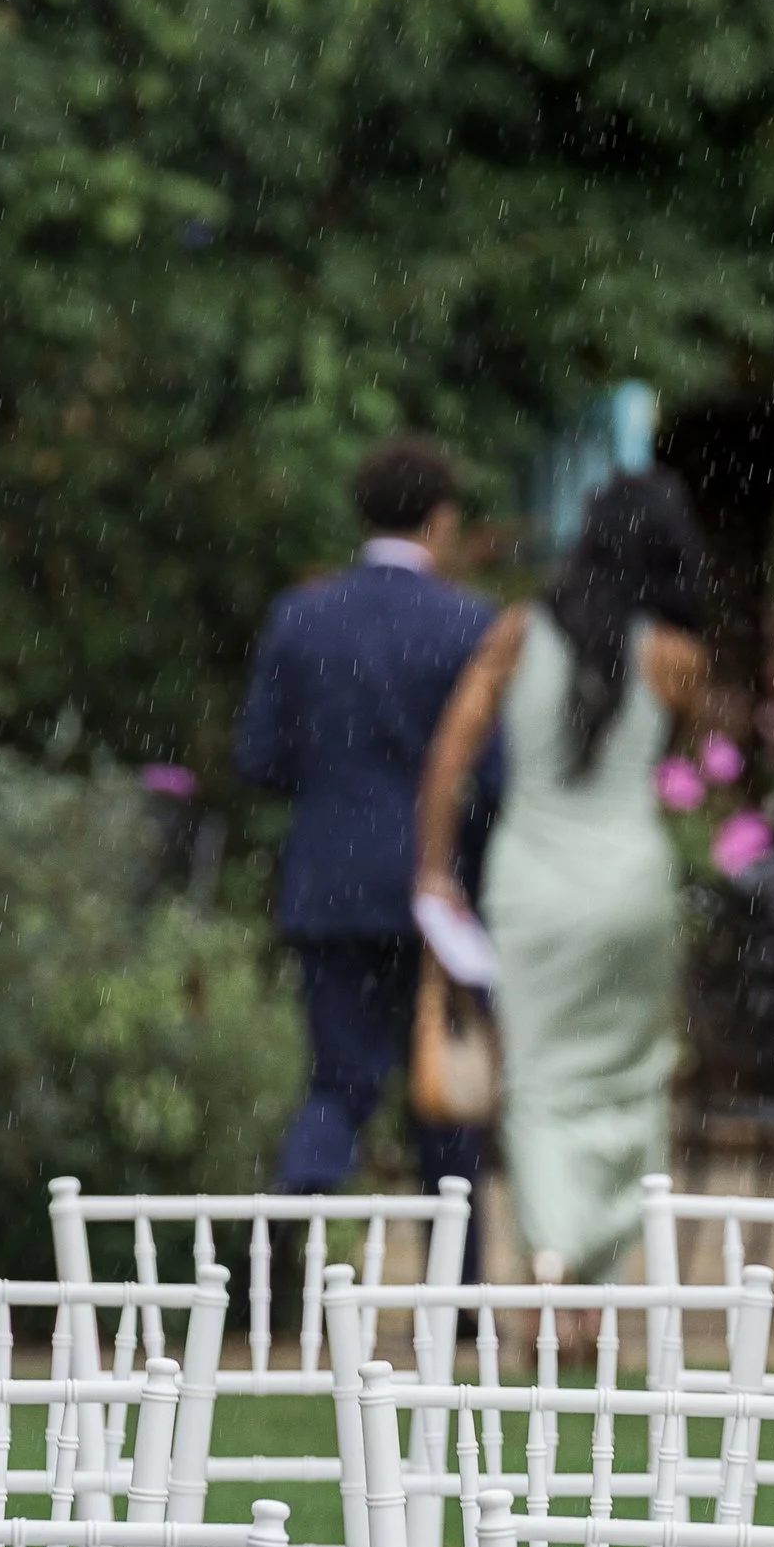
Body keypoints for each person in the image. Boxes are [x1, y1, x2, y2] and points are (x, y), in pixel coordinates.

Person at [416, 468, 709, 1285]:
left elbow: (450, 755)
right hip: (629, 886)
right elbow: (680, 759)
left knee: (538, 1076)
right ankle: (607, 1269)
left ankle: (549, 1247)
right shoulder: (677, 656)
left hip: (533, 884)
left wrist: (435, 871)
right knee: (632, 1074)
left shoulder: (516, 632)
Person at [235, 436, 496, 1201]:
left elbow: (259, 760)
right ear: (441, 521)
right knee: (443, 1096)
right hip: (437, 893)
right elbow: (494, 772)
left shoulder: (303, 618)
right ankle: (459, 1302)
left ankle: (287, 1248)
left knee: (339, 1085)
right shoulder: (467, 626)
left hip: (330, 885)